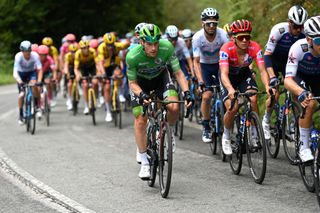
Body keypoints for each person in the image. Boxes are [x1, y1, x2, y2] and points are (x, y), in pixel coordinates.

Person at [126, 24, 192, 179]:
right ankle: (144, 162)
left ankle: (166, 131)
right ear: (141, 42)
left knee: (174, 108)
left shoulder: (167, 47)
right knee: (140, 119)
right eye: (149, 44)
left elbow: (178, 73)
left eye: (156, 43)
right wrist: (142, 95)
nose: (154, 48)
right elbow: (132, 83)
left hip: (161, 79)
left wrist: (187, 92)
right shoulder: (132, 56)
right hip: (140, 84)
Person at [219, 19, 273, 155]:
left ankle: (254, 134)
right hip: (228, 77)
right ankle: (226, 136)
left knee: (253, 98)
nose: (244, 40)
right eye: (241, 37)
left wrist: (267, 85)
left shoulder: (254, 47)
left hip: (243, 74)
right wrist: (230, 89)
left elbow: (262, 70)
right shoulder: (226, 49)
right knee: (233, 107)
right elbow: (224, 74)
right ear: (234, 39)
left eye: (247, 37)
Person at [262, 5, 308, 141]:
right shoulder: (278, 30)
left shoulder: (305, 33)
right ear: (289, 22)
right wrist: (272, 77)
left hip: (293, 62)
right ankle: (266, 119)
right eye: (295, 27)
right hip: (276, 62)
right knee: (274, 93)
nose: (298, 30)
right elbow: (267, 55)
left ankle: (294, 123)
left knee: (297, 93)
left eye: (301, 27)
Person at [284, 16, 320, 162]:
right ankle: (303, 146)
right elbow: (288, 80)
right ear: (309, 40)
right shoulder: (298, 48)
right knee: (310, 102)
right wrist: (301, 92)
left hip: (318, 77)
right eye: (319, 41)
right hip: (301, 76)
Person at [192, 7, 229, 142]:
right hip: (205, 66)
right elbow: (196, 62)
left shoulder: (223, 35)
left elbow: (229, 56)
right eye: (208, 24)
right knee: (207, 96)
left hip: (220, 65)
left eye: (214, 23)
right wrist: (201, 81)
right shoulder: (197, 37)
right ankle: (206, 126)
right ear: (203, 23)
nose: (212, 26)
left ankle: (228, 125)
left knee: (227, 95)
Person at [98, 32, 130, 122]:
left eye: (112, 45)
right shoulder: (101, 48)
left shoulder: (118, 45)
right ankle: (108, 111)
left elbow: (127, 44)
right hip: (105, 66)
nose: (110, 47)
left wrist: (129, 41)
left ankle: (120, 93)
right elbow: (100, 63)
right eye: (108, 45)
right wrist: (103, 73)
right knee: (107, 87)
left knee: (119, 74)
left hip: (115, 64)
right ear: (105, 43)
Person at [13, 41, 43, 124]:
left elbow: (40, 69)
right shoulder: (18, 57)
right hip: (21, 74)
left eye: (29, 51)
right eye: (25, 52)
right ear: (21, 51)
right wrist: (20, 82)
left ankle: (37, 105)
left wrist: (39, 80)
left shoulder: (35, 56)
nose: (28, 53)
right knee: (22, 94)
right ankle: (21, 114)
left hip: (31, 73)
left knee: (34, 85)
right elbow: (15, 72)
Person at [74, 40, 99, 114]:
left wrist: (98, 72)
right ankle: (86, 105)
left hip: (92, 67)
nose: (85, 49)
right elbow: (76, 68)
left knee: (95, 82)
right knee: (85, 85)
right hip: (83, 68)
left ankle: (95, 97)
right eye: (83, 48)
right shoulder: (78, 54)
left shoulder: (93, 52)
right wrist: (78, 74)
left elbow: (97, 64)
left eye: (87, 47)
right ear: (80, 49)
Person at [64, 43, 78, 110]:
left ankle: (78, 89)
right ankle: (69, 99)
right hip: (70, 68)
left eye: (75, 52)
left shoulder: (78, 55)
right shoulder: (67, 56)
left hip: (77, 68)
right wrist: (67, 74)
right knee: (69, 84)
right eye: (72, 52)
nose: (74, 53)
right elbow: (66, 66)